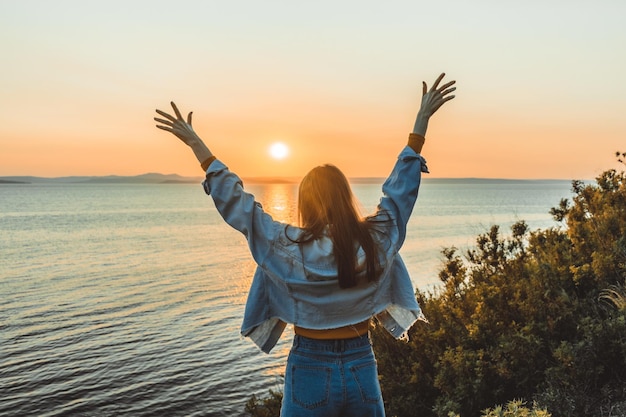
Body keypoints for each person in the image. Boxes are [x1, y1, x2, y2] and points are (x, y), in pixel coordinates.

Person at [154, 73, 456, 416]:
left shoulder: (287, 247)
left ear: (306, 203)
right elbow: (400, 195)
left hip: (309, 363)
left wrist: (198, 145)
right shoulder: (376, 239)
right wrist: (420, 126)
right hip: (361, 362)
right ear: (345, 197)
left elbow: (241, 208)